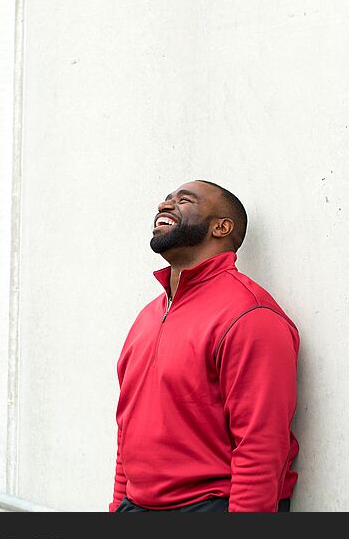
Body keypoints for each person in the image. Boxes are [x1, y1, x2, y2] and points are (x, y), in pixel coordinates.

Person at [109, 180, 300, 513]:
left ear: (221, 227)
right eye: (166, 199)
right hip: (136, 507)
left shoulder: (249, 314)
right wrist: (117, 506)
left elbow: (261, 443)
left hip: (210, 508)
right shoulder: (146, 318)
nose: (164, 205)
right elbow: (126, 432)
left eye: (184, 200)